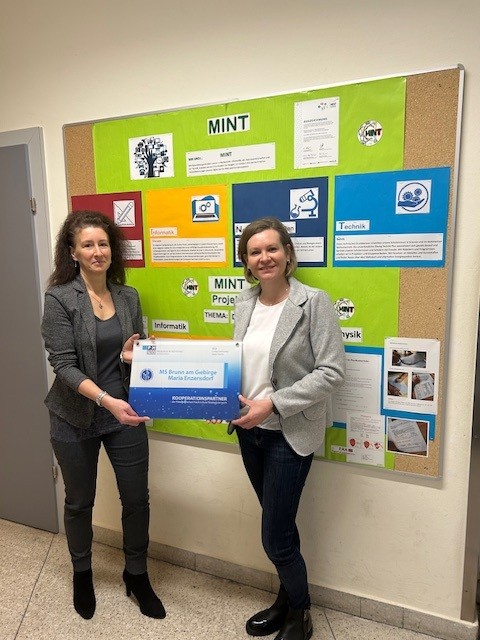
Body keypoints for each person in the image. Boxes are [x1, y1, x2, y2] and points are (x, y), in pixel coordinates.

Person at [41, 210, 165, 621]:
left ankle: (137, 575)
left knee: (137, 499)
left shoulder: (128, 296)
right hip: (75, 415)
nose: (98, 252)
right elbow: (63, 364)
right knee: (80, 501)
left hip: (123, 412)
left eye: (104, 243)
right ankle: (82, 574)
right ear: (73, 252)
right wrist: (105, 399)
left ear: (113, 249)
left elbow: (127, 356)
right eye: (88, 245)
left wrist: (133, 356)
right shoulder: (60, 298)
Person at [230, 217, 346, 640]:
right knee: (279, 526)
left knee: (275, 538)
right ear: (246, 261)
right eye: (255, 252)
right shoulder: (243, 303)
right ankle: (285, 599)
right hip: (250, 433)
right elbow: (239, 364)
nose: (264, 257)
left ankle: (300, 612)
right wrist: (221, 400)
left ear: (288, 254)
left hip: (289, 434)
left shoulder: (313, 302)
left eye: (272, 248)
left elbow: (332, 372)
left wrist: (273, 403)